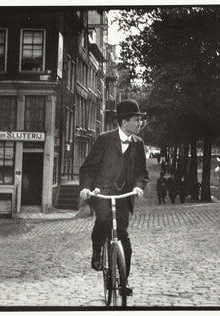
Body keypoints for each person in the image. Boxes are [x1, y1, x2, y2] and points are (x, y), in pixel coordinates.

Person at [79, 99, 149, 297]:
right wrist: (85, 188)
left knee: (123, 237)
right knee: (103, 220)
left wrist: (138, 187)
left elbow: (142, 173)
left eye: (140, 120)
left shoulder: (139, 144)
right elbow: (88, 168)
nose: (139, 123)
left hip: (124, 195)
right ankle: (96, 252)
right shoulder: (104, 139)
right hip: (102, 192)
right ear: (125, 121)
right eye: (136, 120)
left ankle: (124, 279)